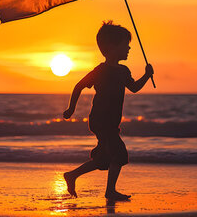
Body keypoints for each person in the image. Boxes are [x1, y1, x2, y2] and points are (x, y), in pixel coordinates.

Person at [63, 21, 154, 201]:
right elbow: (79, 86)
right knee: (119, 153)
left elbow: (134, 88)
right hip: (100, 121)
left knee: (104, 159)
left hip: (112, 121)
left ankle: (72, 175)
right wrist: (71, 108)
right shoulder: (101, 71)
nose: (129, 49)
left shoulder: (123, 71)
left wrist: (147, 75)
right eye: (125, 45)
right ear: (112, 47)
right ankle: (110, 191)